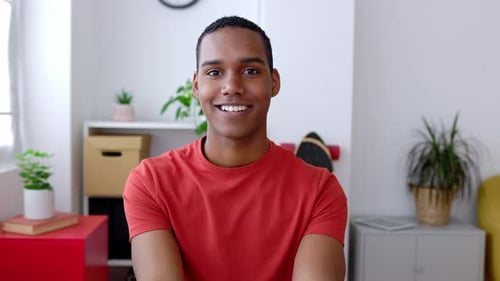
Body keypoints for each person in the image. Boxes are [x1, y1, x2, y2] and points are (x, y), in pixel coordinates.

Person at [123, 15, 348, 281]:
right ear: (197, 85)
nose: (231, 87)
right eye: (214, 72)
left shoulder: (320, 191)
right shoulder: (151, 182)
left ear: (274, 82)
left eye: (250, 71)